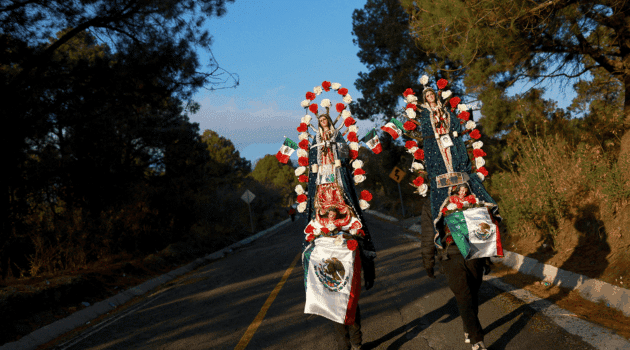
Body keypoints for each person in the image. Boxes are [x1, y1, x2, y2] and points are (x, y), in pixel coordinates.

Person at [412, 87, 500, 350]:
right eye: (454, 187)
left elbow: (487, 222)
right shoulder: (435, 203)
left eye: (461, 185)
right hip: (450, 253)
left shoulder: (472, 199)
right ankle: (477, 339)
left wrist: (489, 248)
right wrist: (428, 260)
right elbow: (429, 233)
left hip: (473, 250)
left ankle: (468, 325)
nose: (458, 189)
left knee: (472, 293)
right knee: (462, 294)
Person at [302, 112, 376, 350]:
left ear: (331, 122)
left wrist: (339, 163)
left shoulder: (338, 136)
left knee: (354, 219)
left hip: (336, 177)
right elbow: (312, 161)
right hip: (321, 180)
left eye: (325, 121)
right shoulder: (315, 140)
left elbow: (345, 154)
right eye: (320, 121)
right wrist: (315, 167)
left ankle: (367, 266)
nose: (323, 124)